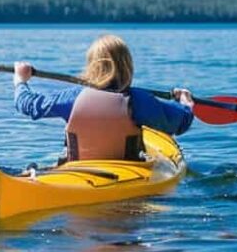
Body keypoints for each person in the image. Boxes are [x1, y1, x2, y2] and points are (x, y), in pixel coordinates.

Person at [13, 34, 194, 161]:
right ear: (127, 67)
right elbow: (180, 123)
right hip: (127, 172)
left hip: (78, 171)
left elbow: (28, 105)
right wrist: (185, 102)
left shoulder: (73, 97)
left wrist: (20, 81)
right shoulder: (139, 100)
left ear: (92, 67)